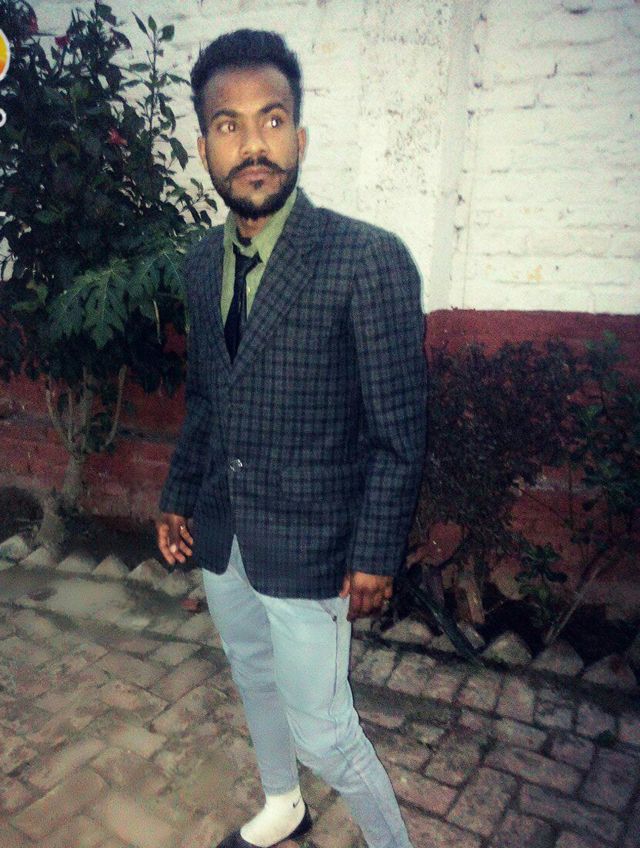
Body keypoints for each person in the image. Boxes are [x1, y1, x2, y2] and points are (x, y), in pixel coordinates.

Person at [157, 29, 427, 848]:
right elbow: (208, 397)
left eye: (271, 120)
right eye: (229, 125)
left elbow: (397, 429)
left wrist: (376, 552)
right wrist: (178, 496)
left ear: (299, 137)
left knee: (327, 732)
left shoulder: (365, 259)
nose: (253, 145)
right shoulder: (201, 264)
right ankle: (284, 806)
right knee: (252, 676)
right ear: (205, 147)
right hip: (226, 531)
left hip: (311, 544)